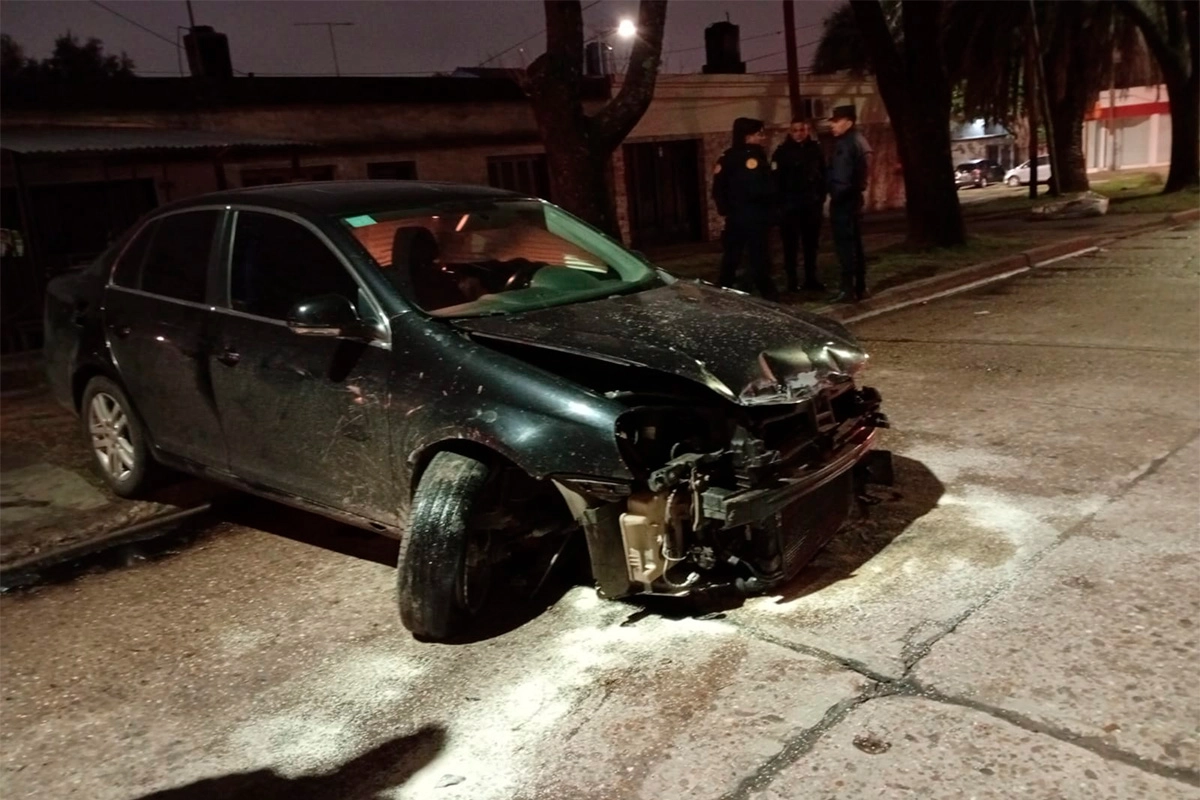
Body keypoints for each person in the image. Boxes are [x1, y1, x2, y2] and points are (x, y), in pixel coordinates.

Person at [712, 116, 779, 301]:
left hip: (735, 218)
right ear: (747, 136)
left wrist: (726, 211)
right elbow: (761, 188)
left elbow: (717, 189)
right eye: (759, 134)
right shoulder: (753, 158)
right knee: (758, 257)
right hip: (754, 217)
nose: (762, 138)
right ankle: (769, 294)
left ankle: (722, 290)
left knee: (731, 257)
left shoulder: (727, 157)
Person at [771, 117, 827, 293]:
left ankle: (811, 279)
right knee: (790, 246)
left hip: (810, 206)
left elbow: (823, 175)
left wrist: (820, 198)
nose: (798, 134)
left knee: (811, 245)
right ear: (790, 131)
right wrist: (780, 205)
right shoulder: (782, 152)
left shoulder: (816, 150)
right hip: (789, 207)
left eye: (801, 130)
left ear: (807, 130)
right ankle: (792, 281)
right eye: (795, 130)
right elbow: (775, 180)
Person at [826, 104, 872, 303]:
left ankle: (848, 288)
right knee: (855, 244)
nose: (832, 125)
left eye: (836, 121)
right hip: (854, 199)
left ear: (848, 122)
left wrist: (834, 196)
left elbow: (841, 178)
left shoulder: (845, 144)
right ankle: (860, 286)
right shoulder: (860, 140)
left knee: (845, 245)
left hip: (844, 201)